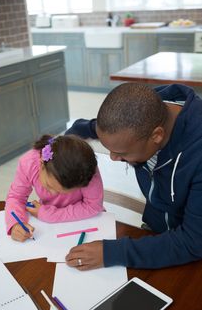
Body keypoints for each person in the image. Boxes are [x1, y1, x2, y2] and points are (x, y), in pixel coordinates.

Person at [65, 83, 202, 270]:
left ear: (157, 136)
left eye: (121, 152)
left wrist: (111, 253)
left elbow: (192, 241)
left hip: (189, 248)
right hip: (156, 233)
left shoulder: (197, 154)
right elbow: (95, 128)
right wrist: (66, 141)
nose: (113, 158)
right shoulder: (143, 113)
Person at [5, 134, 103, 242]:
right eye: (49, 186)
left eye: (65, 192)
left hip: (85, 223)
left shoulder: (85, 170)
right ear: (42, 164)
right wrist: (15, 224)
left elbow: (94, 206)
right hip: (48, 228)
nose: (53, 194)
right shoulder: (28, 163)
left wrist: (49, 215)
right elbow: (16, 197)